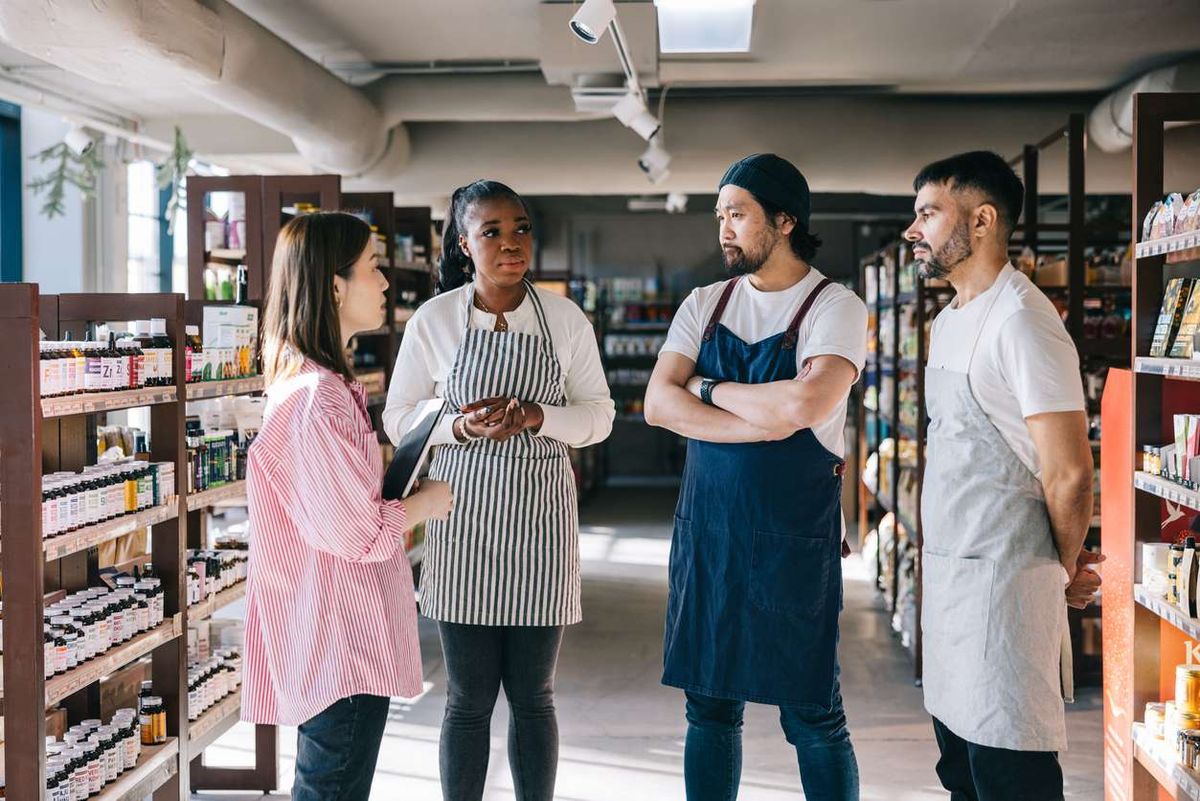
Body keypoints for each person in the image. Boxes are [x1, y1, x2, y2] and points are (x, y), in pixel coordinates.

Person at [383, 180, 614, 801]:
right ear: (464, 244)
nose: (511, 244)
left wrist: (539, 416)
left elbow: (599, 417)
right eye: (492, 232)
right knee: (467, 699)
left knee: (535, 698)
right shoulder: (435, 321)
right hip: (464, 526)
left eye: (520, 229)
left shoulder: (565, 319)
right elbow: (397, 416)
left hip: (542, 528)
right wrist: (458, 426)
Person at [644, 153, 866, 801]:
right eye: (720, 215)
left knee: (812, 710)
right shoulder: (704, 302)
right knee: (708, 708)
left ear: (785, 219)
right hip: (709, 535)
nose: (724, 229)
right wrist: (755, 415)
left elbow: (802, 406)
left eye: (737, 213)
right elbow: (659, 404)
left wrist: (705, 388)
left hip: (792, 537)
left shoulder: (835, 305)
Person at [905, 151, 1104, 801]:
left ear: (982, 219)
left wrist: (1063, 568)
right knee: (960, 774)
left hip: (1006, 592)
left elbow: (1070, 471)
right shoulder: (947, 321)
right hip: (952, 588)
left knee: (1011, 779)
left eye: (929, 213)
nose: (914, 231)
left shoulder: (1022, 321)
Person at [241, 212, 454, 801]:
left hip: (329, 633)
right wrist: (427, 503)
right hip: (341, 641)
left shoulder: (315, 390)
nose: (386, 283)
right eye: (372, 268)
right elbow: (357, 534)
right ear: (335, 286)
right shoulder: (319, 402)